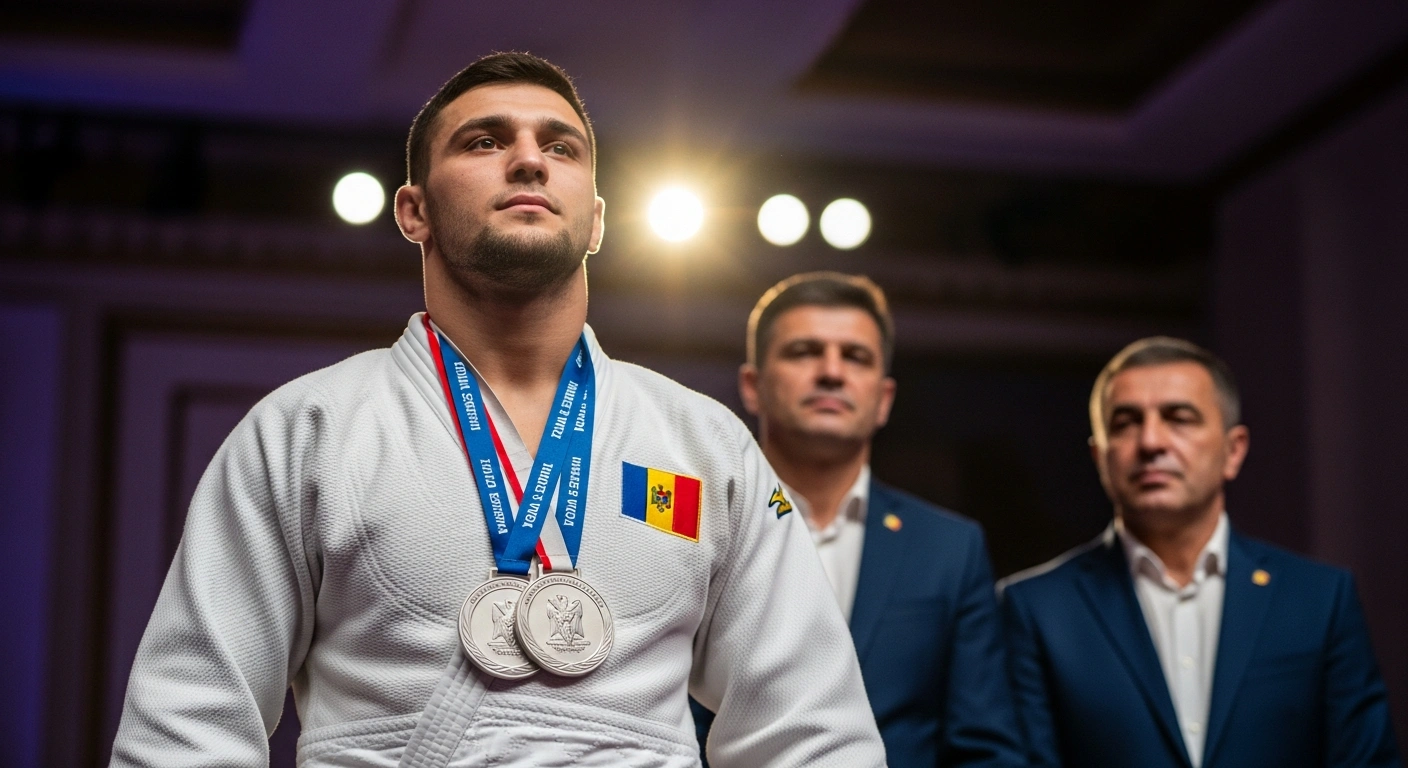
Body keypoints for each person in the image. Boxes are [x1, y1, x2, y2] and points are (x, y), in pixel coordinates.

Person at [109, 53, 885, 768]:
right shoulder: (306, 430)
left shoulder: (707, 445)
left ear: (599, 219)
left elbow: (813, 731)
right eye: (483, 142)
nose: (528, 160)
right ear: (413, 211)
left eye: (562, 147)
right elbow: (187, 727)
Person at [998, 336, 1401, 768]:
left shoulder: (1318, 600)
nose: (1151, 441)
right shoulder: (1034, 610)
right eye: (1125, 423)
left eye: (1179, 418)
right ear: (1100, 458)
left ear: (1234, 450)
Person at [691, 272, 1025, 767]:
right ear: (753, 386)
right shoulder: (692, 527)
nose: (831, 372)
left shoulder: (950, 549)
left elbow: (985, 750)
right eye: (804, 351)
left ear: (884, 398)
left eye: (855, 356)